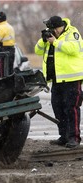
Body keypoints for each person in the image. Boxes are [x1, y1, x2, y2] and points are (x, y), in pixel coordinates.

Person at [34, 15, 83, 148]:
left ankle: (74, 138)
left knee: (71, 108)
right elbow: (37, 50)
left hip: (72, 79)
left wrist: (55, 42)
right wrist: (44, 40)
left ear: (57, 27)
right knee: (58, 108)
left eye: (51, 28)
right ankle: (64, 136)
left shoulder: (72, 33)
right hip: (57, 79)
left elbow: (73, 49)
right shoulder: (51, 37)